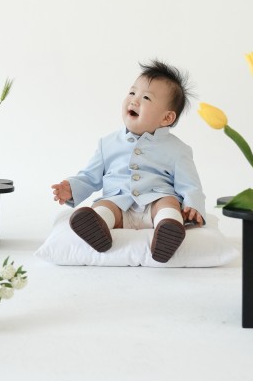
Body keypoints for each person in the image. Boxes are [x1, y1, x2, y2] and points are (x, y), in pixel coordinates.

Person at [51, 60, 205, 263]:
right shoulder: (107, 143)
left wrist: (193, 206)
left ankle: (168, 230)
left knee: (169, 203)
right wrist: (71, 187)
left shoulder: (177, 149)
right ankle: (97, 228)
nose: (134, 100)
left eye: (146, 97)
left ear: (167, 118)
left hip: (155, 203)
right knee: (103, 206)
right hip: (118, 204)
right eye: (132, 92)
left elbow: (190, 185)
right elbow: (89, 177)